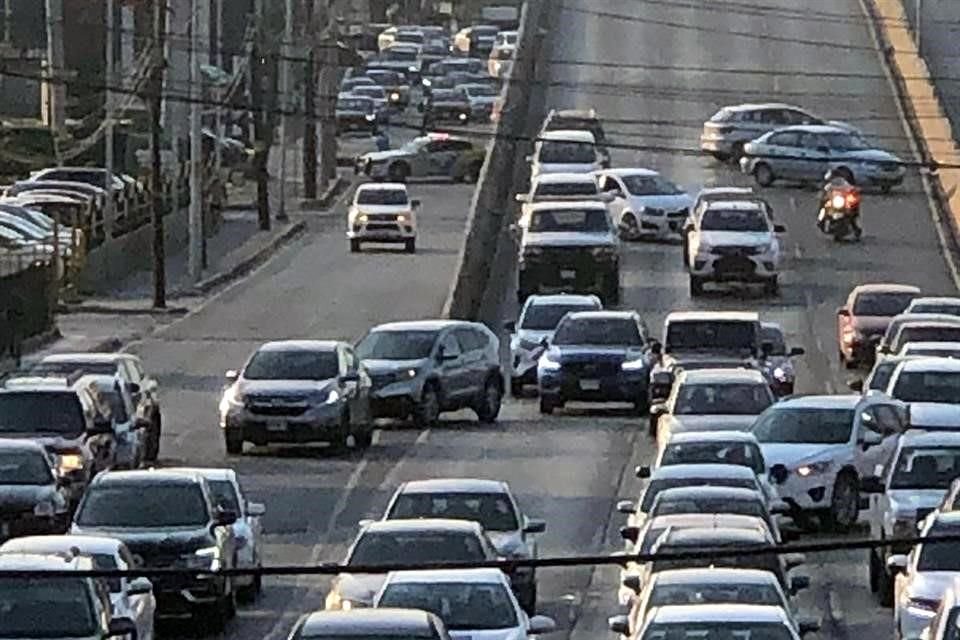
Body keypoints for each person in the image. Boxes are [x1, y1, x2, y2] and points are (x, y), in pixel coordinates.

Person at [818, 169, 862, 239]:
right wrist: (825, 196)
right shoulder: (829, 186)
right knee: (824, 208)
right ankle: (821, 221)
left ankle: (856, 227)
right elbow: (824, 193)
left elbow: (853, 192)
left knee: (852, 211)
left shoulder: (847, 185)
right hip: (834, 201)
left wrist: (853, 195)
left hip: (843, 202)